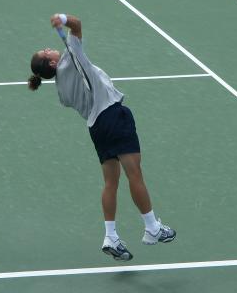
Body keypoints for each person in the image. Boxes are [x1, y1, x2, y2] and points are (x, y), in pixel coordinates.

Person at [28, 13, 176, 261]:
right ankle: (152, 228)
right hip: (113, 116)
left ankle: (111, 237)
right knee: (134, 174)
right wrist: (62, 19)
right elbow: (77, 24)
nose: (49, 47)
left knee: (111, 183)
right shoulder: (71, 55)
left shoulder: (61, 91)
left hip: (96, 127)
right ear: (52, 63)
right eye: (46, 51)